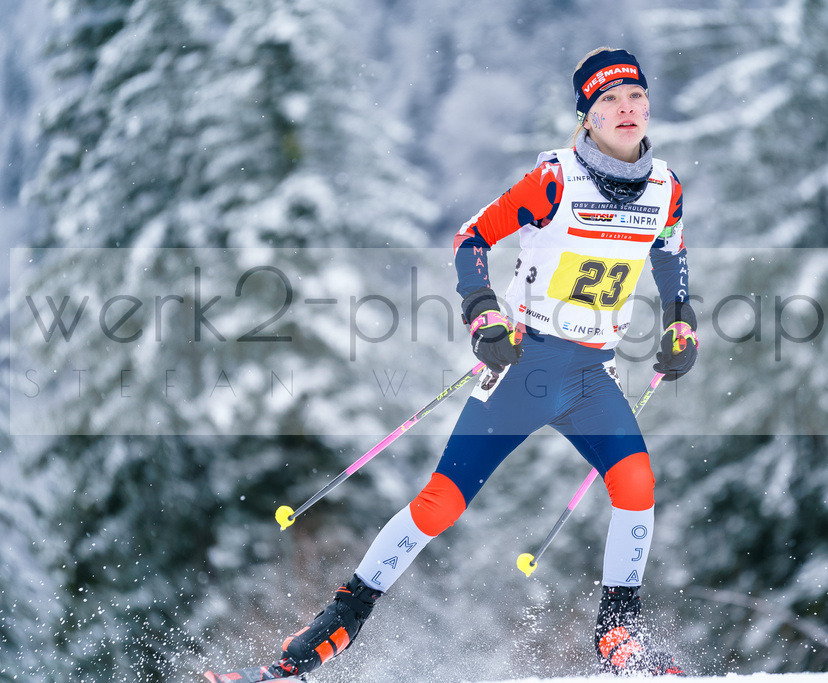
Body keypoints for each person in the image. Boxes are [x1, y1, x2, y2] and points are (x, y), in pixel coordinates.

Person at [205, 46, 697, 682]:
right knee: (439, 504)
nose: (625, 110)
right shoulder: (554, 181)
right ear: (586, 116)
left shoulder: (664, 188)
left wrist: (681, 317)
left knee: (636, 489)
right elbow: (472, 238)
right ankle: (325, 633)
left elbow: (670, 251)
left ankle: (618, 635)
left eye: (635, 98)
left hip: (589, 378)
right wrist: (483, 313)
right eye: (608, 101)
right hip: (525, 369)